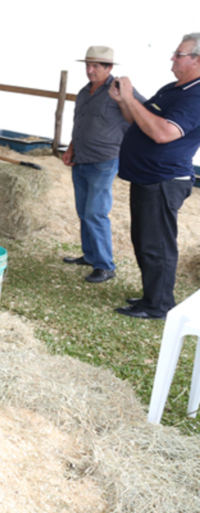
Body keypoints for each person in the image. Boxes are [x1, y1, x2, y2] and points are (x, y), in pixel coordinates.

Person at [109, 33, 200, 320]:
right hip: (148, 177)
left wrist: (131, 97)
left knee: (157, 244)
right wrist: (124, 101)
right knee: (144, 240)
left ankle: (159, 305)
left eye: (179, 54)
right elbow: (138, 120)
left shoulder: (197, 95)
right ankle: (152, 296)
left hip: (164, 179)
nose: (172, 58)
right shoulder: (173, 89)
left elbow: (163, 133)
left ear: (197, 60)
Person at [61, 46, 142, 283]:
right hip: (81, 158)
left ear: (109, 68)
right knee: (83, 211)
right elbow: (79, 123)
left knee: (96, 212)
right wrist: (71, 148)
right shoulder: (84, 92)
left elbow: (142, 112)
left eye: (96, 65)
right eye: (87, 65)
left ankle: (106, 266)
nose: (90, 70)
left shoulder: (120, 90)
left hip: (104, 160)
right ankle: (90, 255)